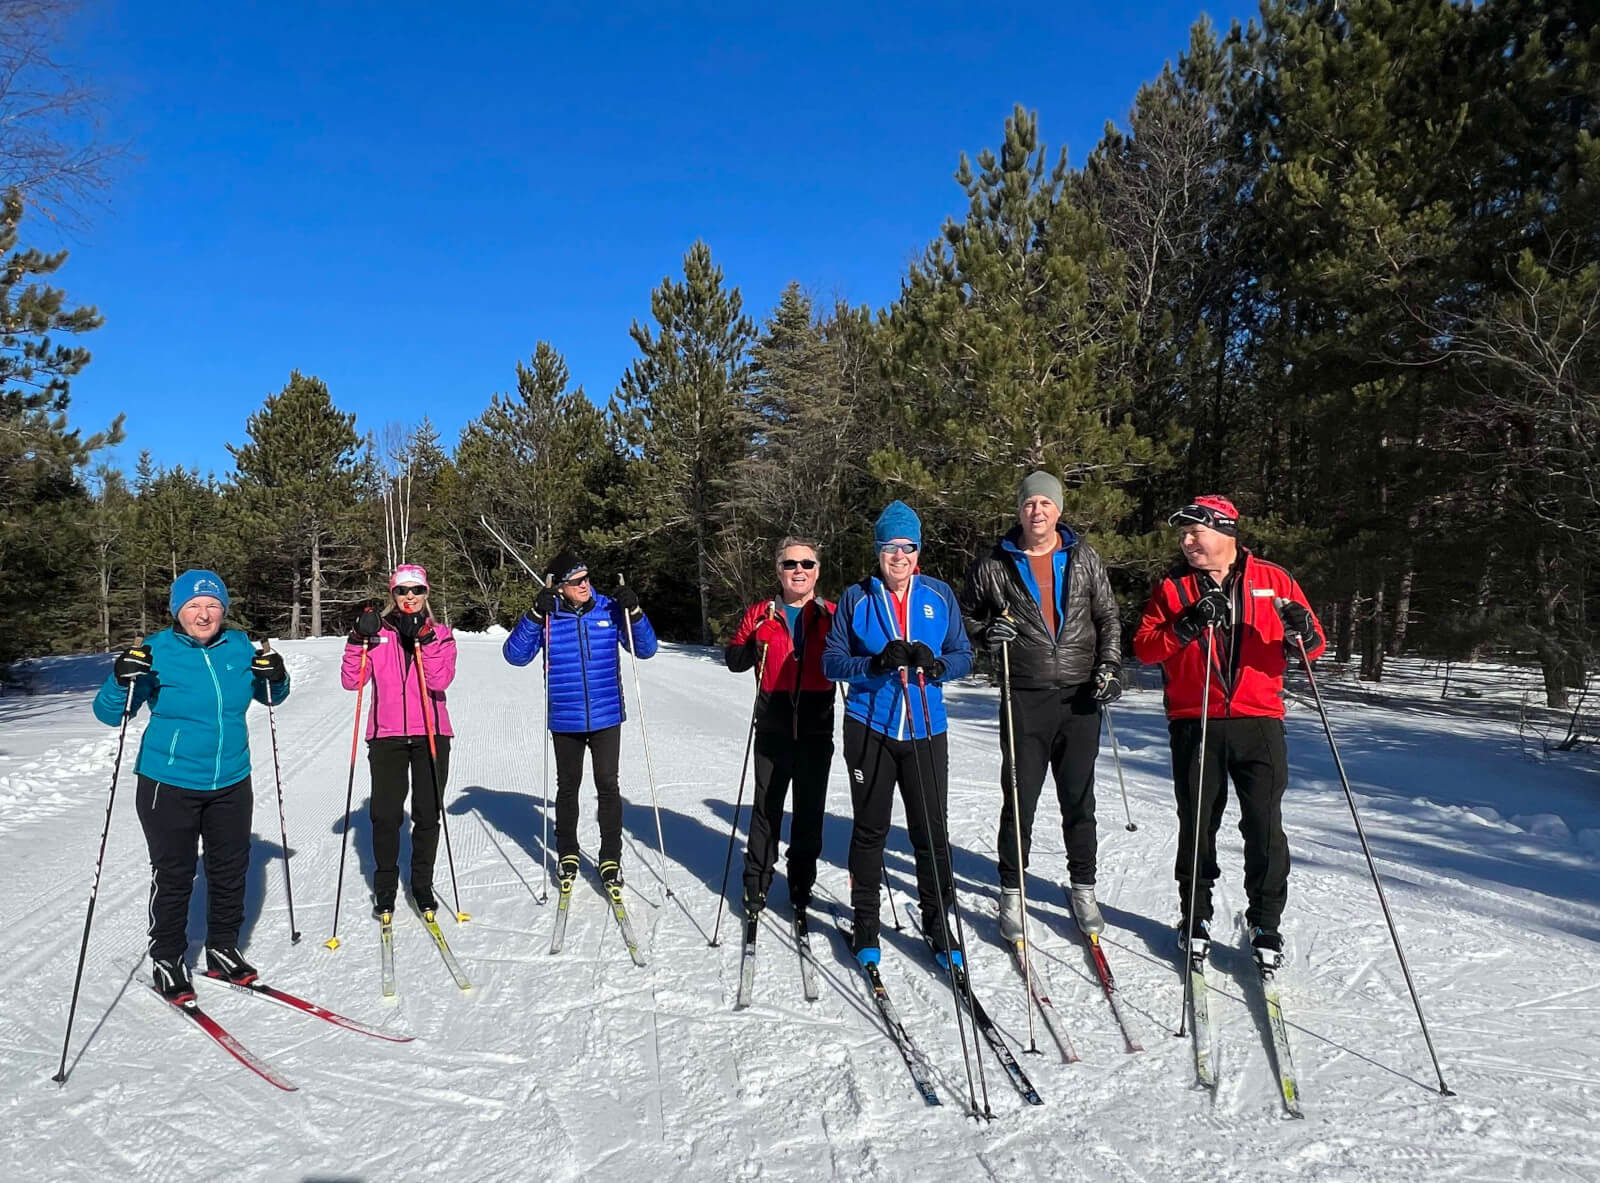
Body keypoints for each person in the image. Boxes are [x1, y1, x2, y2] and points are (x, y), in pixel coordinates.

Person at [1131, 495, 1326, 970]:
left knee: (1264, 826)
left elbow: (1313, 645)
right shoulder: (1173, 587)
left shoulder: (1273, 580)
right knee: (1198, 824)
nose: (1188, 541)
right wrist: (1186, 627)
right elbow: (1144, 648)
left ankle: (1266, 923)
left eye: (1196, 532)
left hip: (1259, 721)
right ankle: (1194, 917)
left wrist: (1304, 632)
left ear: (1225, 532)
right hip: (1195, 720)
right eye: (1184, 534)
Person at [92, 569, 291, 1001]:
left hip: (231, 780)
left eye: (212, 606)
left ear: (224, 610)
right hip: (169, 781)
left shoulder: (237, 646)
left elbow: (272, 694)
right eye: (193, 607)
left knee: (230, 868)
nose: (203, 615)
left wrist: (276, 676)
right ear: (177, 611)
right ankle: (167, 956)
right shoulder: (155, 651)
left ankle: (222, 949)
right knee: (175, 873)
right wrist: (118, 678)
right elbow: (112, 714)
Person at [962, 471, 1122, 940]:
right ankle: (1011, 890)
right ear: (1020, 510)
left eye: (1046, 504)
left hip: (1080, 697)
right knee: (1020, 799)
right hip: (1024, 694)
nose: (1037, 512)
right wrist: (987, 635)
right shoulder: (994, 563)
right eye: (1030, 503)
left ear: (1059, 510)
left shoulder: (1083, 558)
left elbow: (1107, 616)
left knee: (1078, 799)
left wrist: (1110, 666)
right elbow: (967, 616)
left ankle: (1083, 887)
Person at [823, 501, 974, 969]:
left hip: (928, 730)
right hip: (871, 727)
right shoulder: (857, 598)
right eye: (891, 547)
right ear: (879, 551)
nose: (899, 556)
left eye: (908, 548)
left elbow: (964, 654)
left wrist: (939, 666)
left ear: (918, 551)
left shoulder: (939, 595)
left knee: (931, 832)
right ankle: (865, 922)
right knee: (870, 830)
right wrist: (873, 664)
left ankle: (937, 923)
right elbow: (832, 662)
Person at [502, 549, 657, 891]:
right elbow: (514, 656)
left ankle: (610, 857)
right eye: (577, 581)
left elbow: (646, 649)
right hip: (565, 717)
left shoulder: (608, 609)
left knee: (608, 786)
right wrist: (532, 615)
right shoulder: (547, 616)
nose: (585, 585)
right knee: (567, 787)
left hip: (606, 715)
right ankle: (567, 852)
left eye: (587, 578)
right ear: (559, 587)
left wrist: (634, 611)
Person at [723, 537, 836, 924]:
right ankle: (756, 881)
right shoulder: (760, 613)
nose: (798, 570)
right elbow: (733, 659)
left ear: (817, 571)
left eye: (806, 563)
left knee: (809, 811)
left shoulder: (832, 614)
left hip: (816, 722)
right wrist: (753, 646)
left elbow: (854, 658)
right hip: (772, 722)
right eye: (790, 564)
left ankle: (801, 884)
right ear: (779, 570)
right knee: (766, 809)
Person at [341, 563, 458, 919]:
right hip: (387, 734)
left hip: (431, 732)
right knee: (386, 815)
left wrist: (424, 638)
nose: (410, 597)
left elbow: (439, 680)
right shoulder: (377, 632)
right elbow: (352, 681)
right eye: (403, 591)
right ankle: (386, 887)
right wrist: (356, 639)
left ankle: (422, 884)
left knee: (427, 814)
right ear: (392, 594)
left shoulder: (442, 633)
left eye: (416, 590)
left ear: (426, 594)